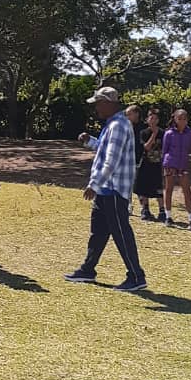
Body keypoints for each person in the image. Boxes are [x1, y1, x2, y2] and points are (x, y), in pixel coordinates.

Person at [67, 87, 147, 291]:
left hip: (113, 189)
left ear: (108, 103)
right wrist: (90, 141)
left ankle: (136, 276)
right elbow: (105, 150)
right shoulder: (113, 125)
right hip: (106, 190)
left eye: (98, 103)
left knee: (121, 233)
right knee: (99, 232)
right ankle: (88, 269)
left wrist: (94, 185)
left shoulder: (119, 126)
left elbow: (111, 161)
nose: (95, 108)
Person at [162, 109, 191, 228]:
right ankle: (168, 216)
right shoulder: (169, 133)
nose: (182, 121)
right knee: (169, 190)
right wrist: (165, 164)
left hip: (183, 165)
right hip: (171, 163)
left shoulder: (190, 133)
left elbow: (189, 148)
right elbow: (165, 149)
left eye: (184, 119)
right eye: (180, 118)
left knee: (187, 191)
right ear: (175, 119)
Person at [135, 108, 165, 221]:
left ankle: (162, 211)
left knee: (158, 188)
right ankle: (145, 209)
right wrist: (153, 135)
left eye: (155, 118)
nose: (153, 120)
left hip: (157, 163)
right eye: (151, 118)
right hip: (146, 162)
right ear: (147, 119)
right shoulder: (143, 133)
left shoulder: (163, 133)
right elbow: (146, 147)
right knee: (143, 186)